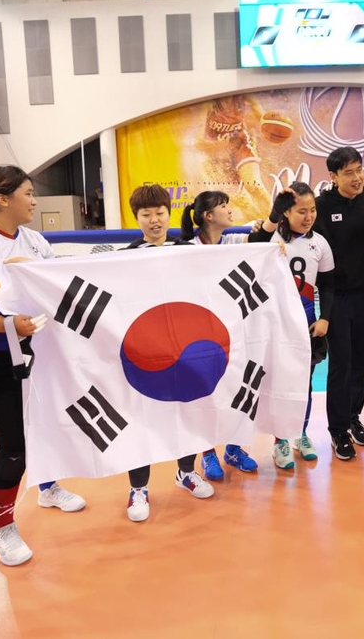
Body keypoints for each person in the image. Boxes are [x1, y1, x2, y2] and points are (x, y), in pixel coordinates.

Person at [0, 166, 87, 567]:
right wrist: (8, 325)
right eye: (28, 193)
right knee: (12, 446)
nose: (35, 201)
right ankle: (2, 529)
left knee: (45, 426)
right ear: (3, 199)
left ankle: (47, 487)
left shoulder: (35, 241)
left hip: (37, 349)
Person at [120, 184, 216, 521]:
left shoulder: (188, 251)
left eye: (160, 212)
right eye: (146, 214)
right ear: (136, 218)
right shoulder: (123, 259)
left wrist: (272, 249)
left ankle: (186, 472)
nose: (154, 220)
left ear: (169, 213)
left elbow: (220, 271)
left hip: (185, 351)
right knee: (140, 419)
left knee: (187, 412)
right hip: (143, 353)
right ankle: (138, 488)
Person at [179, 190, 265, 479]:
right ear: (208, 215)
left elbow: (262, 240)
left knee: (238, 390)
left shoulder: (231, 241)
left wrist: (272, 242)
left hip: (233, 331)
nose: (230, 210)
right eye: (223, 206)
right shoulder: (187, 248)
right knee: (204, 395)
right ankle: (207, 453)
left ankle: (234, 449)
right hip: (197, 335)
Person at [312, 146, 364, 454]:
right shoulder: (320, 207)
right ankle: (338, 429)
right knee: (341, 364)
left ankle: (353, 417)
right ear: (333, 176)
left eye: (359, 170)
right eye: (348, 173)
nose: (357, 178)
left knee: (362, 362)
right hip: (336, 298)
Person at [254, 183, 336, 465]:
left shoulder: (320, 243)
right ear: (286, 212)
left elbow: (328, 285)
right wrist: (271, 218)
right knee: (279, 383)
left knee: (304, 381)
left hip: (307, 324)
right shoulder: (270, 237)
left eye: (312, 210)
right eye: (301, 211)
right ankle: (280, 441)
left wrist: (324, 318)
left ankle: (301, 432)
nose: (309, 216)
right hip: (275, 324)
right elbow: (253, 245)